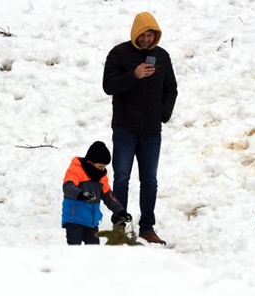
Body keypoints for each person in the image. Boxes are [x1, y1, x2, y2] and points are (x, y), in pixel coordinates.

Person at [103, 12, 178, 245]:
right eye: (143, 34)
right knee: (121, 179)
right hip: (125, 129)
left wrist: (163, 114)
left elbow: (171, 88)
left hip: (152, 132)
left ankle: (147, 228)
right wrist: (133, 75)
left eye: (150, 34)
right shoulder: (119, 54)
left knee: (150, 181)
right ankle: (119, 227)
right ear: (135, 33)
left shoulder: (162, 56)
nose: (146, 39)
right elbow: (109, 86)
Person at [62, 141, 132, 245]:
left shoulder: (101, 177)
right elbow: (67, 187)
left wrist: (121, 211)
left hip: (92, 223)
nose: (102, 170)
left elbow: (109, 196)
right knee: (74, 250)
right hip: (74, 221)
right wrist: (81, 194)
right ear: (90, 162)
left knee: (94, 250)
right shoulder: (76, 170)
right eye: (100, 167)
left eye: (104, 167)